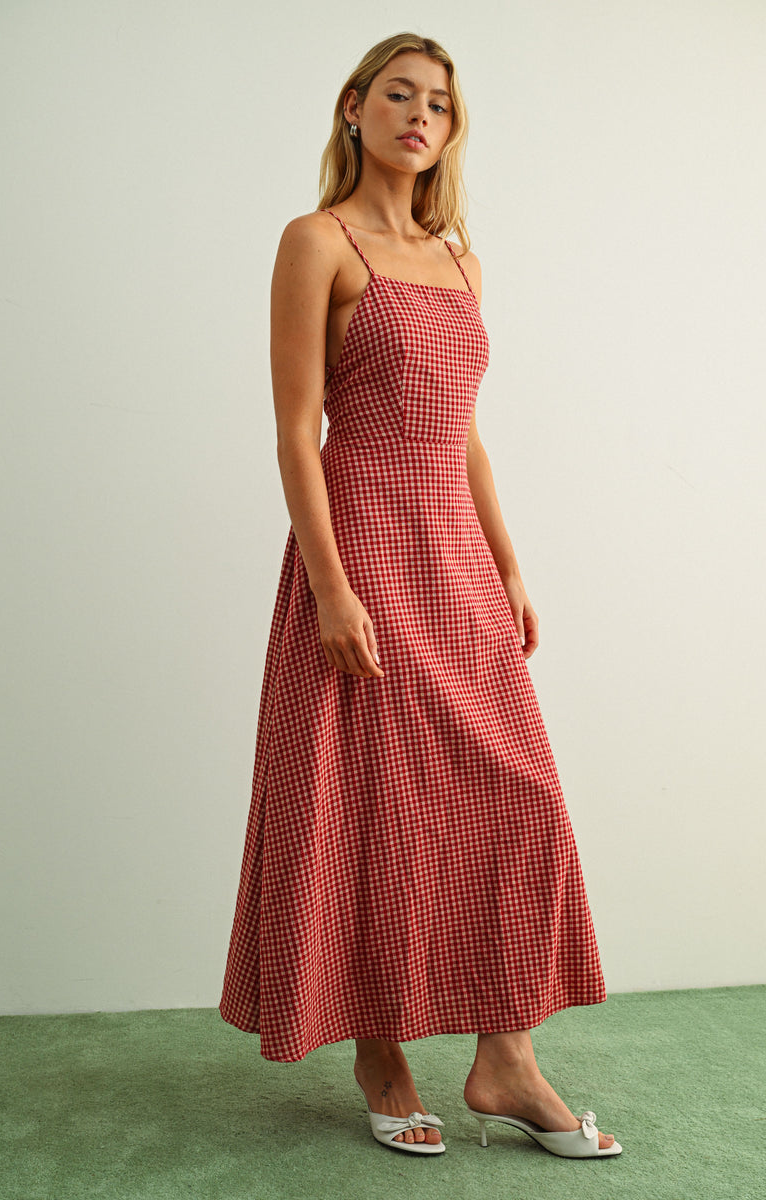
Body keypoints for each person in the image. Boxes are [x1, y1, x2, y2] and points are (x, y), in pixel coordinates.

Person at [219, 31, 620, 1160]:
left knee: (516, 794)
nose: (419, 117)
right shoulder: (317, 241)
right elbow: (297, 433)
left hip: (454, 561)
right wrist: (329, 586)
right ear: (354, 107)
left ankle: (506, 1058)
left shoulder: (458, 259)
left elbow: (465, 433)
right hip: (360, 553)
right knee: (369, 801)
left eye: (438, 104)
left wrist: (508, 564)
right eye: (399, 95)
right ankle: (380, 1051)